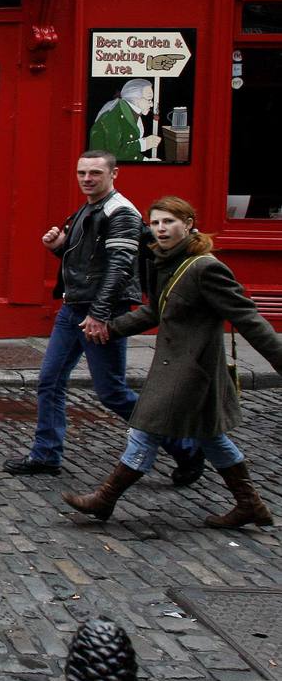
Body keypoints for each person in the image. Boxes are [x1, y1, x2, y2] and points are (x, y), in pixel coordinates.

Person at [64, 196, 282, 526]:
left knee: (145, 428)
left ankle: (104, 499)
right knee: (211, 437)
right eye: (156, 223)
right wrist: (110, 329)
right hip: (174, 366)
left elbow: (248, 317)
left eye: (169, 222)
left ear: (189, 224)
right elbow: (156, 310)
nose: (161, 229)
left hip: (191, 370)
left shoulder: (205, 267)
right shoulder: (166, 261)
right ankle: (249, 504)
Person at [3, 150, 203, 482]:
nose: (87, 179)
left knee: (112, 392)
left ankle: (185, 446)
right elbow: (89, 263)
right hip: (73, 309)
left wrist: (99, 314)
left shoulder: (120, 212)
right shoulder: (89, 208)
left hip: (102, 313)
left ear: (113, 174)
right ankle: (46, 455)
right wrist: (58, 247)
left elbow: (120, 268)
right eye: (82, 173)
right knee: (49, 382)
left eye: (95, 173)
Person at [89, 78, 162, 162]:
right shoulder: (112, 117)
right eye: (149, 99)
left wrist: (145, 160)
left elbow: (129, 151)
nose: (152, 104)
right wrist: (143, 144)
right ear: (135, 99)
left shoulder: (131, 113)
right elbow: (114, 154)